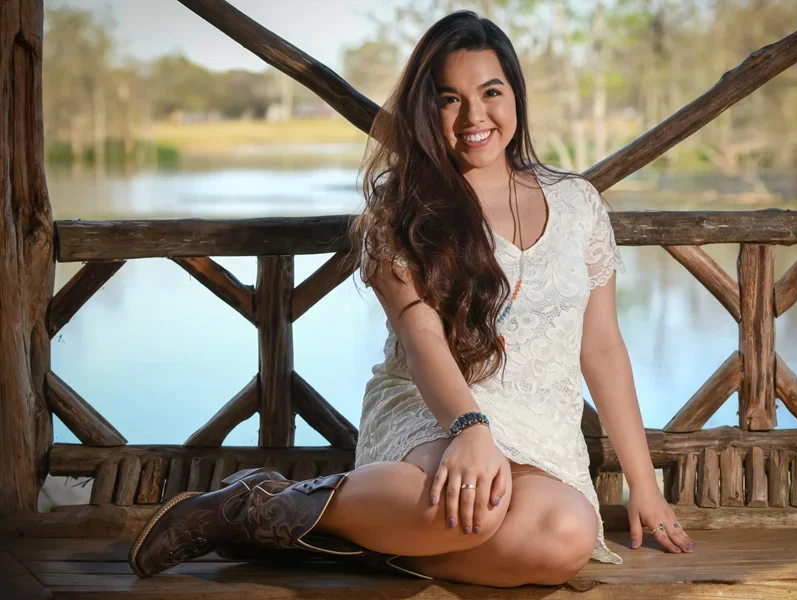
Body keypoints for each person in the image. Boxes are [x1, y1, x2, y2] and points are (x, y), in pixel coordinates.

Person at [129, 9, 694, 588]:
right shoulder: (404, 213)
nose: (475, 116)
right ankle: (262, 508)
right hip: (431, 411)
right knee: (479, 507)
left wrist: (643, 485)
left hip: (544, 430)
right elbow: (421, 338)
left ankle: (315, 532)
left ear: (516, 96)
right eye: (450, 99)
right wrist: (470, 428)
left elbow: (601, 349)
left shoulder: (577, 204)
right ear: (428, 112)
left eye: (491, 92)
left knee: (567, 538)